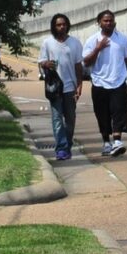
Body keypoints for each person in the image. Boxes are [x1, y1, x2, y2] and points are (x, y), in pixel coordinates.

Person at [82, 9, 127, 157]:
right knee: (102, 114)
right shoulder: (92, 40)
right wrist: (98, 48)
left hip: (118, 81)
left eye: (111, 20)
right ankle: (106, 142)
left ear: (115, 22)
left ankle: (117, 141)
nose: (108, 23)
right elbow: (86, 62)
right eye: (105, 21)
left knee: (119, 111)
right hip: (99, 82)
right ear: (99, 23)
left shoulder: (122, 39)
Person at [38, 13, 84, 160]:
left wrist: (79, 84)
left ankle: (67, 145)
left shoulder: (75, 43)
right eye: (58, 24)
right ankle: (61, 149)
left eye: (64, 24)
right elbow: (41, 62)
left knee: (70, 120)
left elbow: (78, 65)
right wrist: (46, 64)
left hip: (70, 87)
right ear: (54, 26)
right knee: (57, 120)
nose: (61, 27)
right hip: (55, 88)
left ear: (67, 25)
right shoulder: (47, 43)